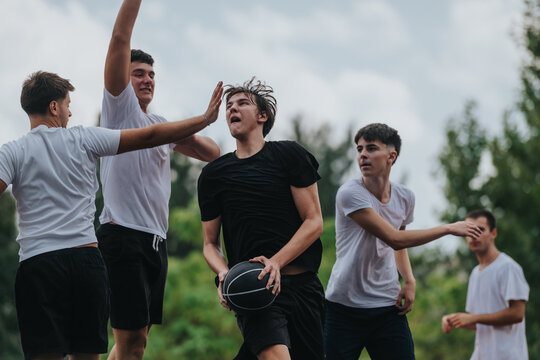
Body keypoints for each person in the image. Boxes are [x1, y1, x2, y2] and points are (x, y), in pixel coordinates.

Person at [0, 71, 221, 360]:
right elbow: (151, 136)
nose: (70, 112)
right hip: (85, 263)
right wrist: (204, 119)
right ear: (54, 107)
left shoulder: (12, 152)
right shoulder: (83, 138)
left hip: (39, 266)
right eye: (67, 105)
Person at [96, 1, 221, 359]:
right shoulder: (119, 109)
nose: (147, 79)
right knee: (132, 345)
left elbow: (211, 152)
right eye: (138, 73)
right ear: (124, 78)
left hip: (155, 242)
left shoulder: (160, 123)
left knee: (134, 344)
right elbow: (120, 36)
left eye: (151, 74)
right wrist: (202, 118)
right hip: (123, 237)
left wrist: (203, 128)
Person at [324, 123, 483, 360]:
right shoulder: (350, 193)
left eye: (371, 148)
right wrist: (449, 228)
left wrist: (409, 279)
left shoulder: (405, 197)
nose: (363, 155)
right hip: (344, 308)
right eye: (359, 149)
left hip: (387, 308)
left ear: (391, 156)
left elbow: (399, 246)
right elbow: (395, 239)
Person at [197, 78, 325, 360]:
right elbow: (209, 244)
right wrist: (223, 273)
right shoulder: (214, 175)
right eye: (229, 105)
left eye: (243, 103)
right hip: (254, 289)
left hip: (304, 287)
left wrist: (277, 262)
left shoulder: (289, 155)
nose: (233, 108)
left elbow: (314, 222)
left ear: (262, 116)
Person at [442, 209, 529, 360]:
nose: (474, 235)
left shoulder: (508, 267)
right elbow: (477, 322)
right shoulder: (475, 273)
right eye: (469, 230)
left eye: (480, 229)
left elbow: (517, 313)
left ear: (493, 233)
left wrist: (474, 318)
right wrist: (455, 319)